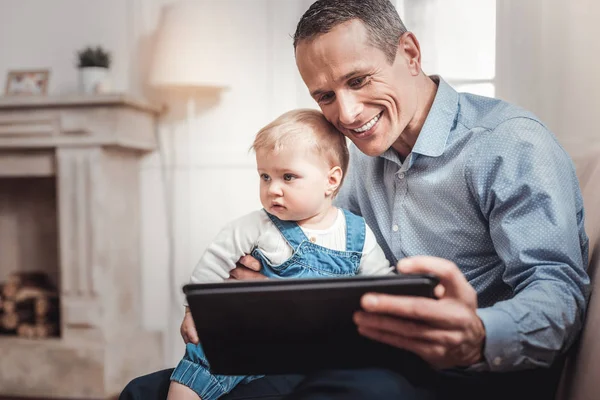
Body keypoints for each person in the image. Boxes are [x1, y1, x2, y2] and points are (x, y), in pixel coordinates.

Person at [121, 0, 590, 399]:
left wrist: (478, 336)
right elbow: (329, 267)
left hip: (475, 376)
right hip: (364, 358)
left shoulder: (509, 145)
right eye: (324, 95)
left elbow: (558, 297)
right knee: (145, 391)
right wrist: (266, 292)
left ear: (408, 52)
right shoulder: (352, 163)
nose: (345, 114)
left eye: (359, 80)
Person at [167, 108, 393, 400]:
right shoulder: (257, 226)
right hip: (246, 337)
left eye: (288, 177)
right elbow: (213, 263)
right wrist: (192, 311)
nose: (273, 189)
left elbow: (382, 284)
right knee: (196, 373)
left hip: (317, 346)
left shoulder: (356, 233)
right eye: (265, 177)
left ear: (331, 180)